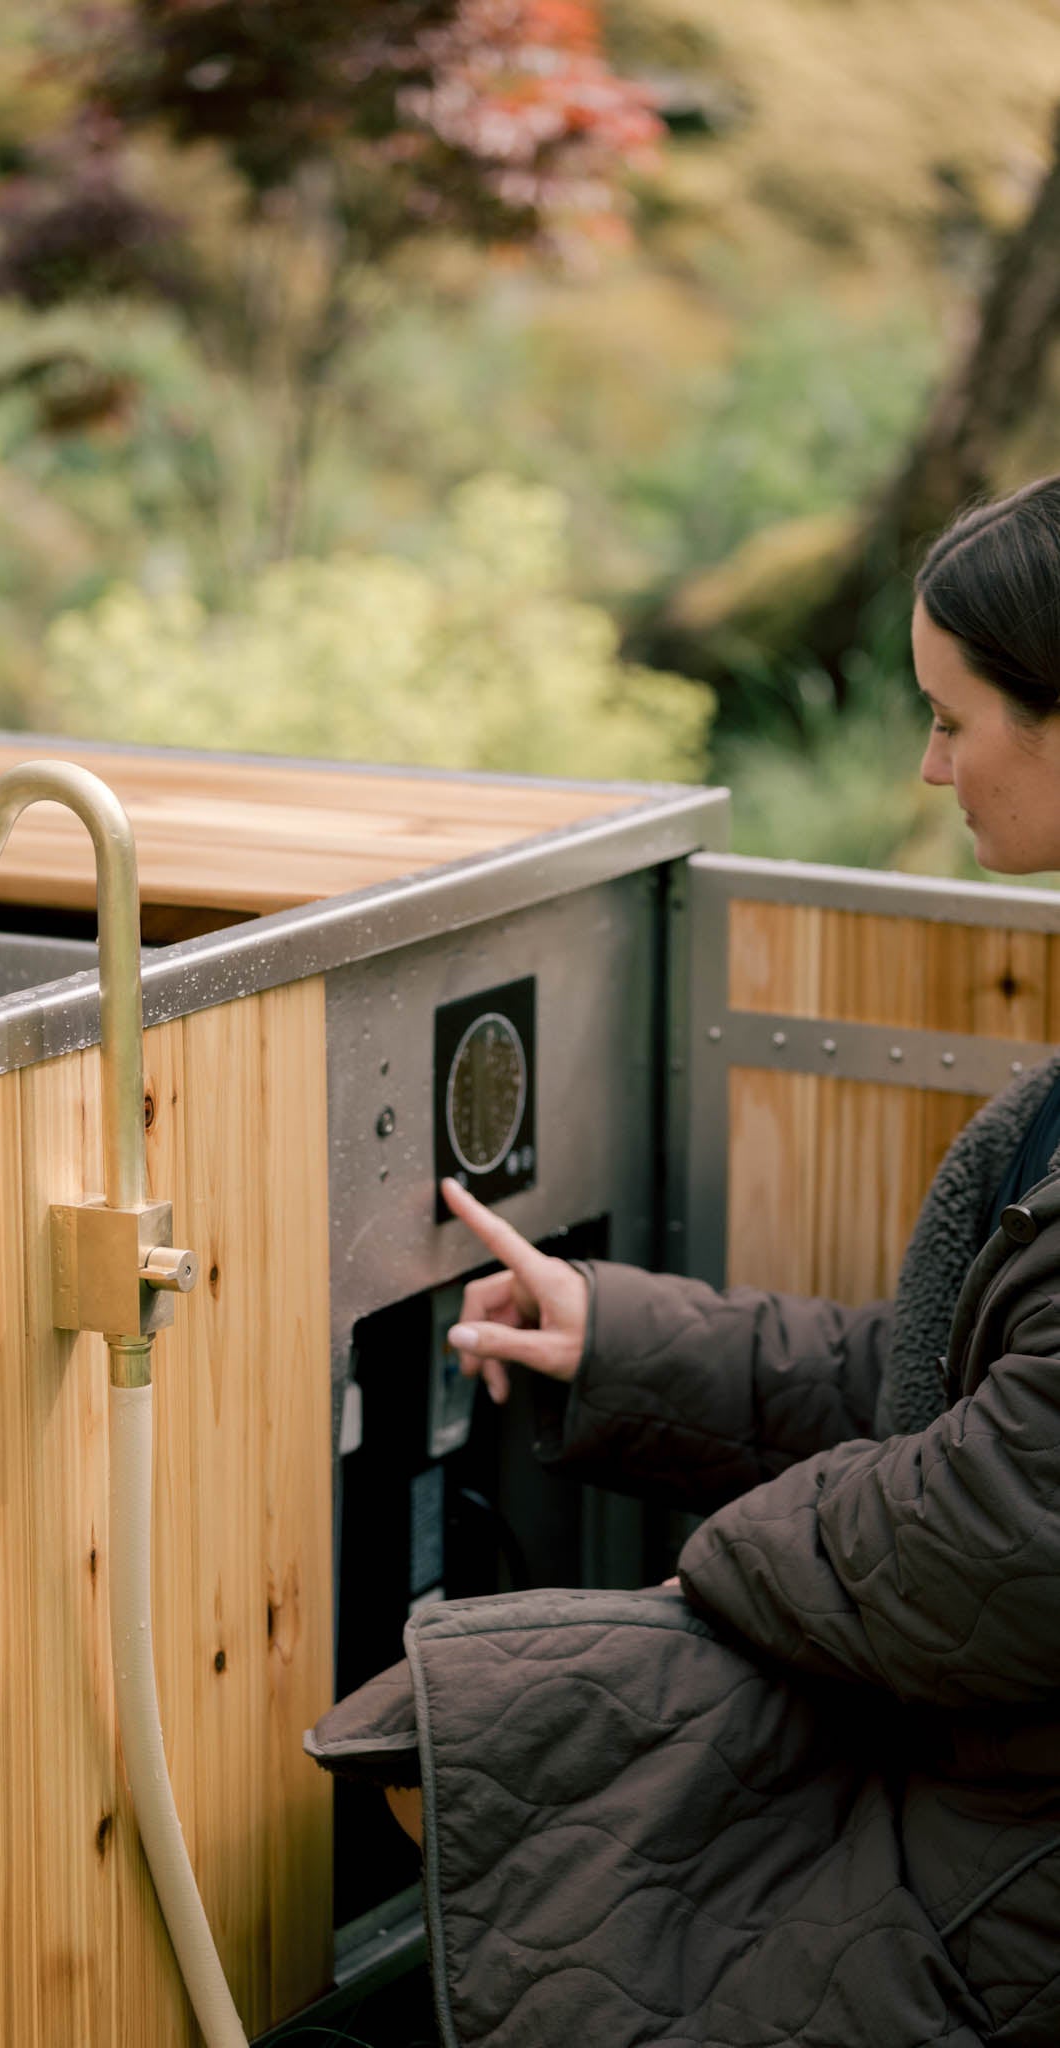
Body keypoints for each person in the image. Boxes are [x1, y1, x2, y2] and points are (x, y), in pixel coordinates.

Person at [306, 478, 1060, 2048]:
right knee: (476, 1734)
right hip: (979, 1781)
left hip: (1006, 1866)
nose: (928, 768)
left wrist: (713, 1570)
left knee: (507, 1748)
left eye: (950, 719)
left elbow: (1013, 1518)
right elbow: (938, 1393)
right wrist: (629, 1339)